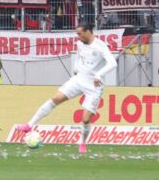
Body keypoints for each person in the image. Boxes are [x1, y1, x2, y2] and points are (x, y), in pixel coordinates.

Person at [15, 22, 117, 153]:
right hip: (79, 79)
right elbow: (80, 57)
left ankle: (82, 143)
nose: (78, 37)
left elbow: (113, 63)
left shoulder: (100, 46)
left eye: (80, 34)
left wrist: (99, 74)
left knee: (85, 119)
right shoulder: (80, 44)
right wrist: (76, 67)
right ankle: (29, 125)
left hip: (94, 85)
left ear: (88, 32)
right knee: (56, 98)